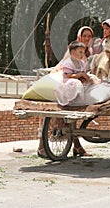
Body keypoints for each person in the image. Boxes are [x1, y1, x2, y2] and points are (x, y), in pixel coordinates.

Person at [37, 25, 102, 158]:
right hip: (65, 83)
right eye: (84, 36)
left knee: (71, 119)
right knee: (50, 116)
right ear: (79, 37)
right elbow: (65, 69)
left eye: (89, 36)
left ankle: (77, 147)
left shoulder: (88, 53)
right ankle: (41, 146)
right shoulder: (73, 51)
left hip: (78, 86)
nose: (87, 38)